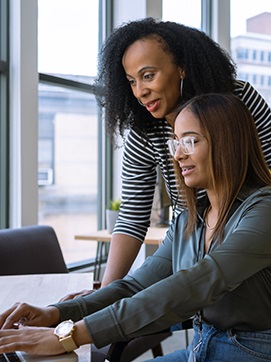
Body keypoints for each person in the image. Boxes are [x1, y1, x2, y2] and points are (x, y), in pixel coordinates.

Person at [1, 93, 271, 362]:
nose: (177, 154)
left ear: (228, 144)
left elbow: (192, 285)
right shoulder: (190, 220)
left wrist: (69, 335)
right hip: (201, 349)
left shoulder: (264, 210)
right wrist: (57, 313)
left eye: (189, 141)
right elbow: (134, 286)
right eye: (175, 142)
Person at [94, 17, 271, 290]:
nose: (141, 91)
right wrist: (104, 291)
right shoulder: (145, 130)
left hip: (250, 245)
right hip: (194, 243)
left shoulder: (237, 99)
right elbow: (131, 216)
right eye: (131, 81)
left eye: (148, 75)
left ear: (182, 69)